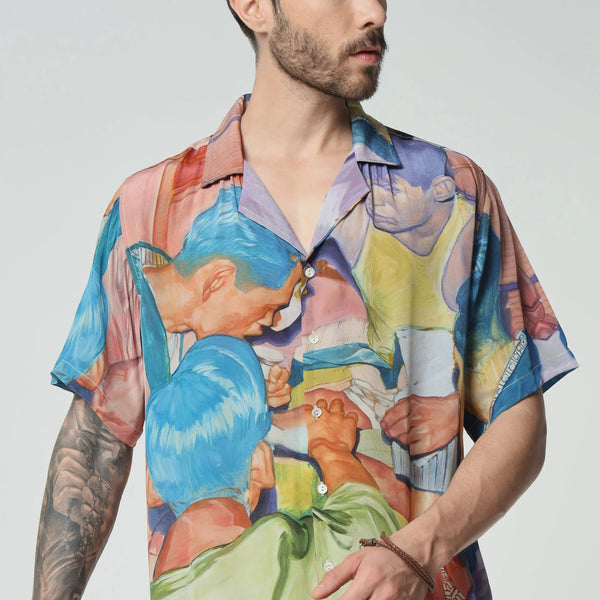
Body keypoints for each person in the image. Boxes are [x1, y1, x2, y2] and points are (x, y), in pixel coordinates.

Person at [32, 1, 578, 599]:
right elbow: (97, 444)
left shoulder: (449, 195)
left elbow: (518, 417)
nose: (373, 11)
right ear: (253, 6)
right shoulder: (148, 209)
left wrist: (419, 549)